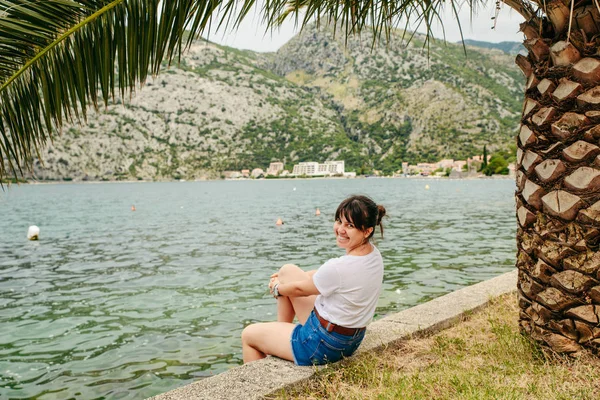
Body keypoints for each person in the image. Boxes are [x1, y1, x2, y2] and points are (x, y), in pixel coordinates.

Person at [241, 195, 386, 366]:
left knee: (248, 335)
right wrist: (282, 280)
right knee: (287, 270)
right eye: (339, 221)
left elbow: (300, 290)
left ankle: (266, 381)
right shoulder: (373, 255)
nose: (340, 229)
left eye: (350, 225)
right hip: (350, 340)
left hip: (321, 344)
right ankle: (279, 334)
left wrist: (277, 288)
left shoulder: (338, 267)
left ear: (367, 230)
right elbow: (327, 277)